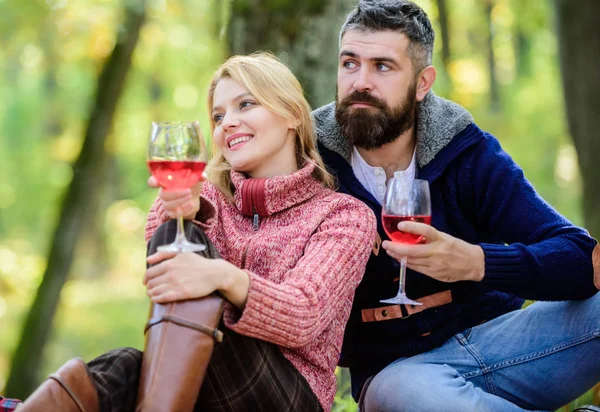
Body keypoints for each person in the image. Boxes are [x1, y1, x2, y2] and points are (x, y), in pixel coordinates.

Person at [17, 53, 376, 412]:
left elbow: (303, 315)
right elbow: (162, 276)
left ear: (292, 116)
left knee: (193, 317)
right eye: (218, 116)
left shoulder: (342, 215)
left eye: (245, 105)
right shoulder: (207, 201)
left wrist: (222, 276)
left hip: (287, 395)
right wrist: (182, 218)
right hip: (199, 385)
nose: (228, 123)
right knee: (123, 367)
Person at [311, 1, 600, 411]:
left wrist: (476, 263)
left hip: (508, 348)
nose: (361, 82)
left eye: (383, 67)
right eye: (350, 64)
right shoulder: (309, 160)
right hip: (400, 377)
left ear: (423, 82)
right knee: (401, 394)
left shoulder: (466, 151)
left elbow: (580, 257)